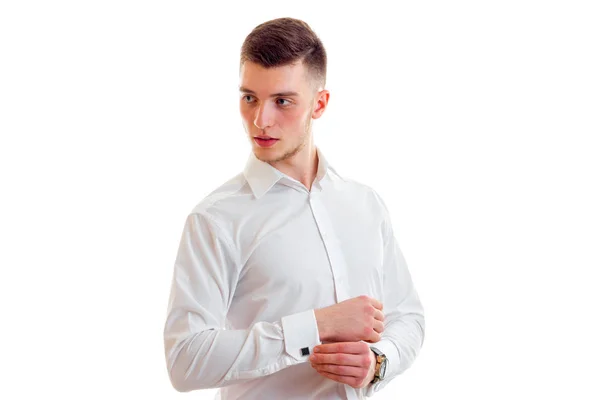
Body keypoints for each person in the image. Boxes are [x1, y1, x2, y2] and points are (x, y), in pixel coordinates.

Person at [163, 17, 425, 399]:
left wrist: (378, 362)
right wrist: (315, 326)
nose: (260, 120)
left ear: (319, 104)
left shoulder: (365, 204)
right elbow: (184, 362)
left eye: (282, 101)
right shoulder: (216, 219)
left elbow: (408, 317)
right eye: (249, 97)